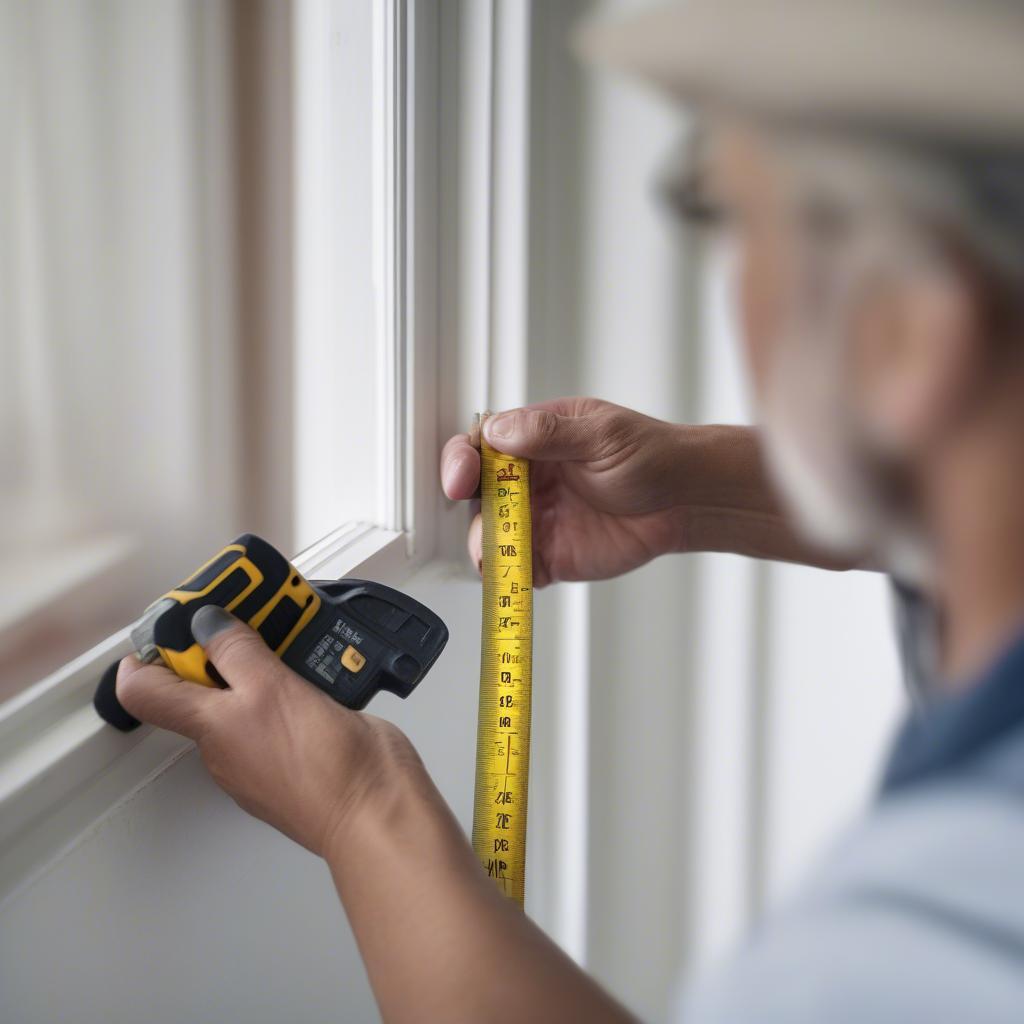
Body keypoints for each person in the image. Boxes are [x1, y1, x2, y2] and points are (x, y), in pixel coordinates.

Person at [116, 1, 1024, 1019]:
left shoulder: (918, 936)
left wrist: (364, 812)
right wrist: (692, 493)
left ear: (905, 323)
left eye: (723, 212)